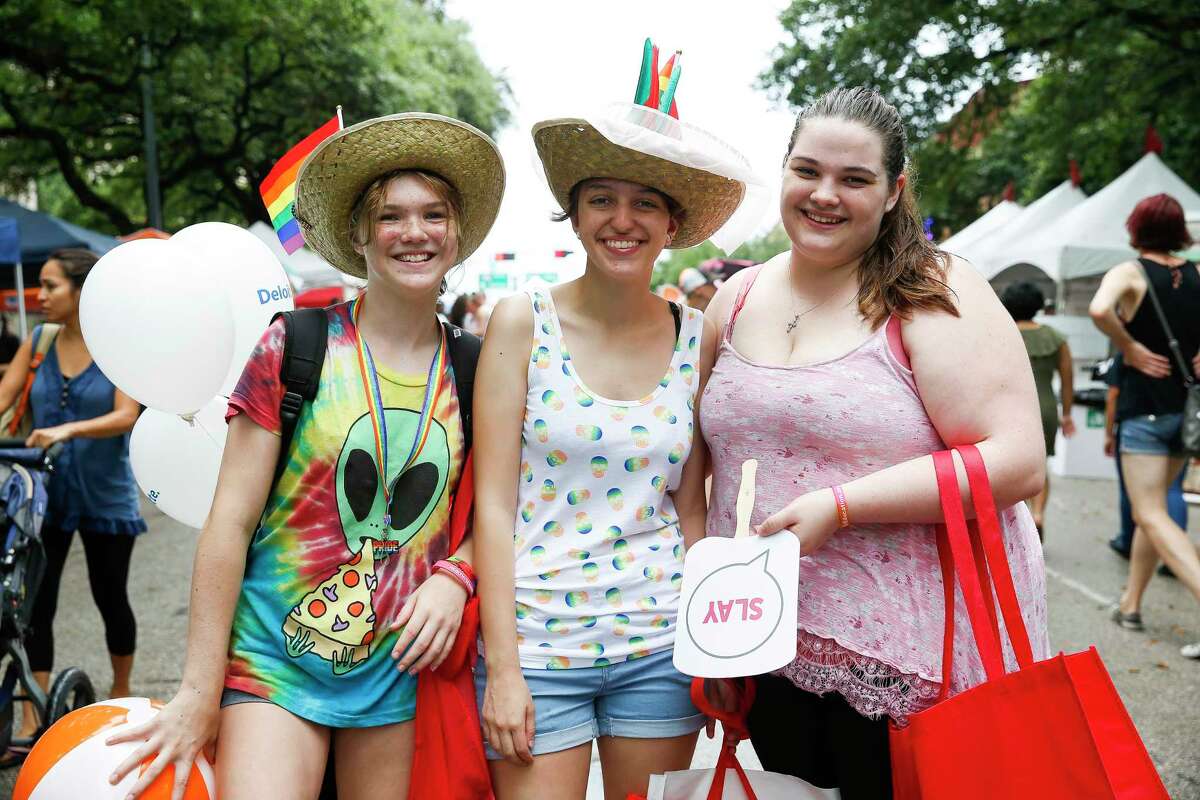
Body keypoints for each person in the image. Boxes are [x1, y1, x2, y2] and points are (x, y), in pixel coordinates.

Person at [106, 112, 506, 799]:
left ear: (457, 233)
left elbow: (495, 511)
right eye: (392, 216)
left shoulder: (477, 366)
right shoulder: (294, 346)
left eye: (433, 214)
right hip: (272, 667)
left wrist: (455, 576)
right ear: (359, 234)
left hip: (400, 679)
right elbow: (228, 523)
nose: (414, 232)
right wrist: (199, 691)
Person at [699, 87, 1049, 798]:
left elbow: (1016, 458)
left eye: (854, 180)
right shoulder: (734, 299)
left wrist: (843, 506)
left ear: (893, 192)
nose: (825, 195)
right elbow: (714, 473)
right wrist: (713, 641)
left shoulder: (931, 289)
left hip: (909, 661)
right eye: (808, 171)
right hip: (767, 647)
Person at [473, 94, 752, 799]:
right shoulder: (521, 321)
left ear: (672, 225)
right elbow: (492, 504)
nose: (622, 221)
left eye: (645, 203)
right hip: (538, 645)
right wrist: (502, 668)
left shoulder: (698, 335)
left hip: (660, 648)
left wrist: (711, 645)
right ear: (575, 212)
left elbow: (692, 508)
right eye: (601, 199)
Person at [0, 248, 145, 763]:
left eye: (51, 285)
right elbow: (4, 397)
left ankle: (121, 694)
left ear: (82, 290)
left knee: (110, 596)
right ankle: (32, 718)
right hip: (42, 498)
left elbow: (126, 415)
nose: (40, 296)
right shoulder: (38, 342)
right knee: (34, 604)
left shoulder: (115, 346)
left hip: (106, 496)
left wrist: (68, 428)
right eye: (40, 284)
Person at [1088, 192, 1200, 658]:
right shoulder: (1196, 272)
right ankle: (1130, 604)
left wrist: (1128, 347)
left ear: (1136, 227)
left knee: (1150, 513)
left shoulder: (1129, 272)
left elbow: (1098, 310)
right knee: (1148, 513)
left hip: (1144, 409)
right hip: (1187, 411)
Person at [1000, 280, 1075, 538]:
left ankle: (1012, 524)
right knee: (1039, 465)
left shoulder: (1000, 332)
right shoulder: (1056, 338)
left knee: (1006, 464)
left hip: (1008, 406)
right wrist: (1066, 415)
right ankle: (1038, 514)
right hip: (1045, 407)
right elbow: (1067, 380)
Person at [1103, 354, 1188, 565]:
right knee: (1172, 490)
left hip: (1142, 423)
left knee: (1141, 502)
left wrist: (1108, 433)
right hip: (1183, 421)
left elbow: (1113, 394)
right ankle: (1171, 557)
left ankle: (1127, 541)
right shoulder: (1188, 348)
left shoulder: (1131, 352)